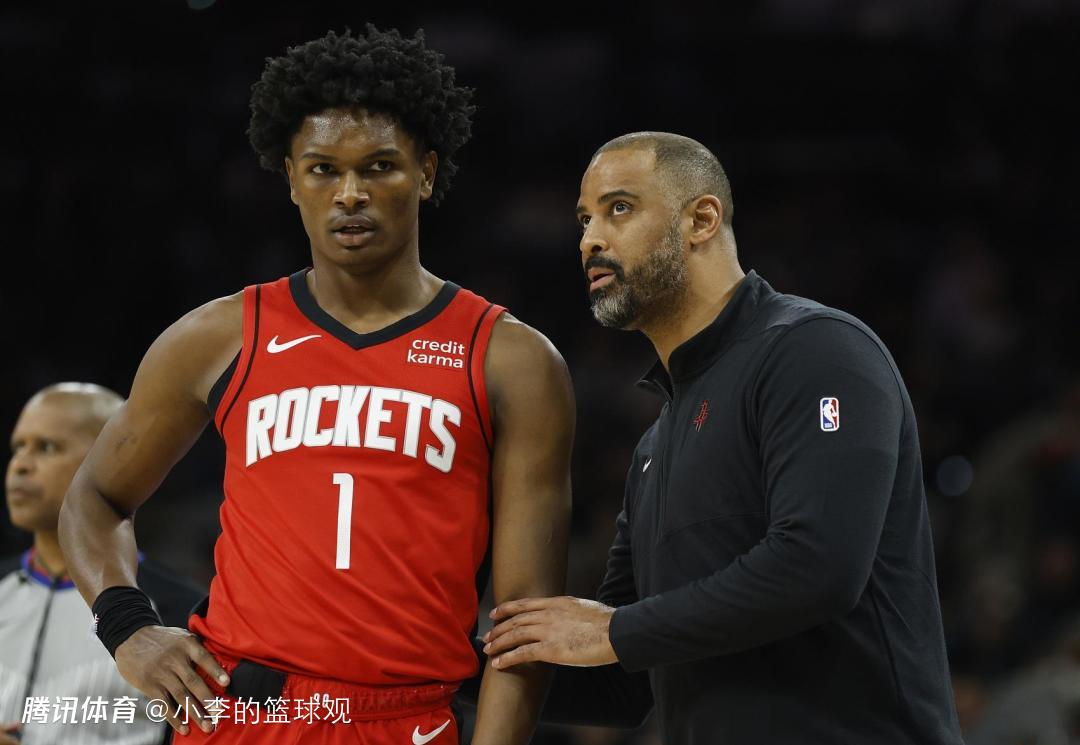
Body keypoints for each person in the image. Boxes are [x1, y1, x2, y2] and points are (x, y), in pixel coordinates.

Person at [57, 26, 574, 745]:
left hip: (406, 719)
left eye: (380, 167)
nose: (350, 194)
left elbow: (524, 622)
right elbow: (94, 496)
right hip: (241, 713)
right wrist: (129, 628)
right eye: (324, 169)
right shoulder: (218, 335)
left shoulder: (511, 359)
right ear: (291, 179)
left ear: (426, 172)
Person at [479, 132, 965, 744]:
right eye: (583, 220)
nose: (589, 240)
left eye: (618, 208)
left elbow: (819, 566)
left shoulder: (816, 350)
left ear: (702, 220)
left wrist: (615, 631)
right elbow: (622, 684)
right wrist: (435, 663)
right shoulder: (654, 447)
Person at [2, 383, 203, 745]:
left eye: (47, 447)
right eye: (18, 447)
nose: (20, 465)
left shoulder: (181, 611)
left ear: (111, 463)